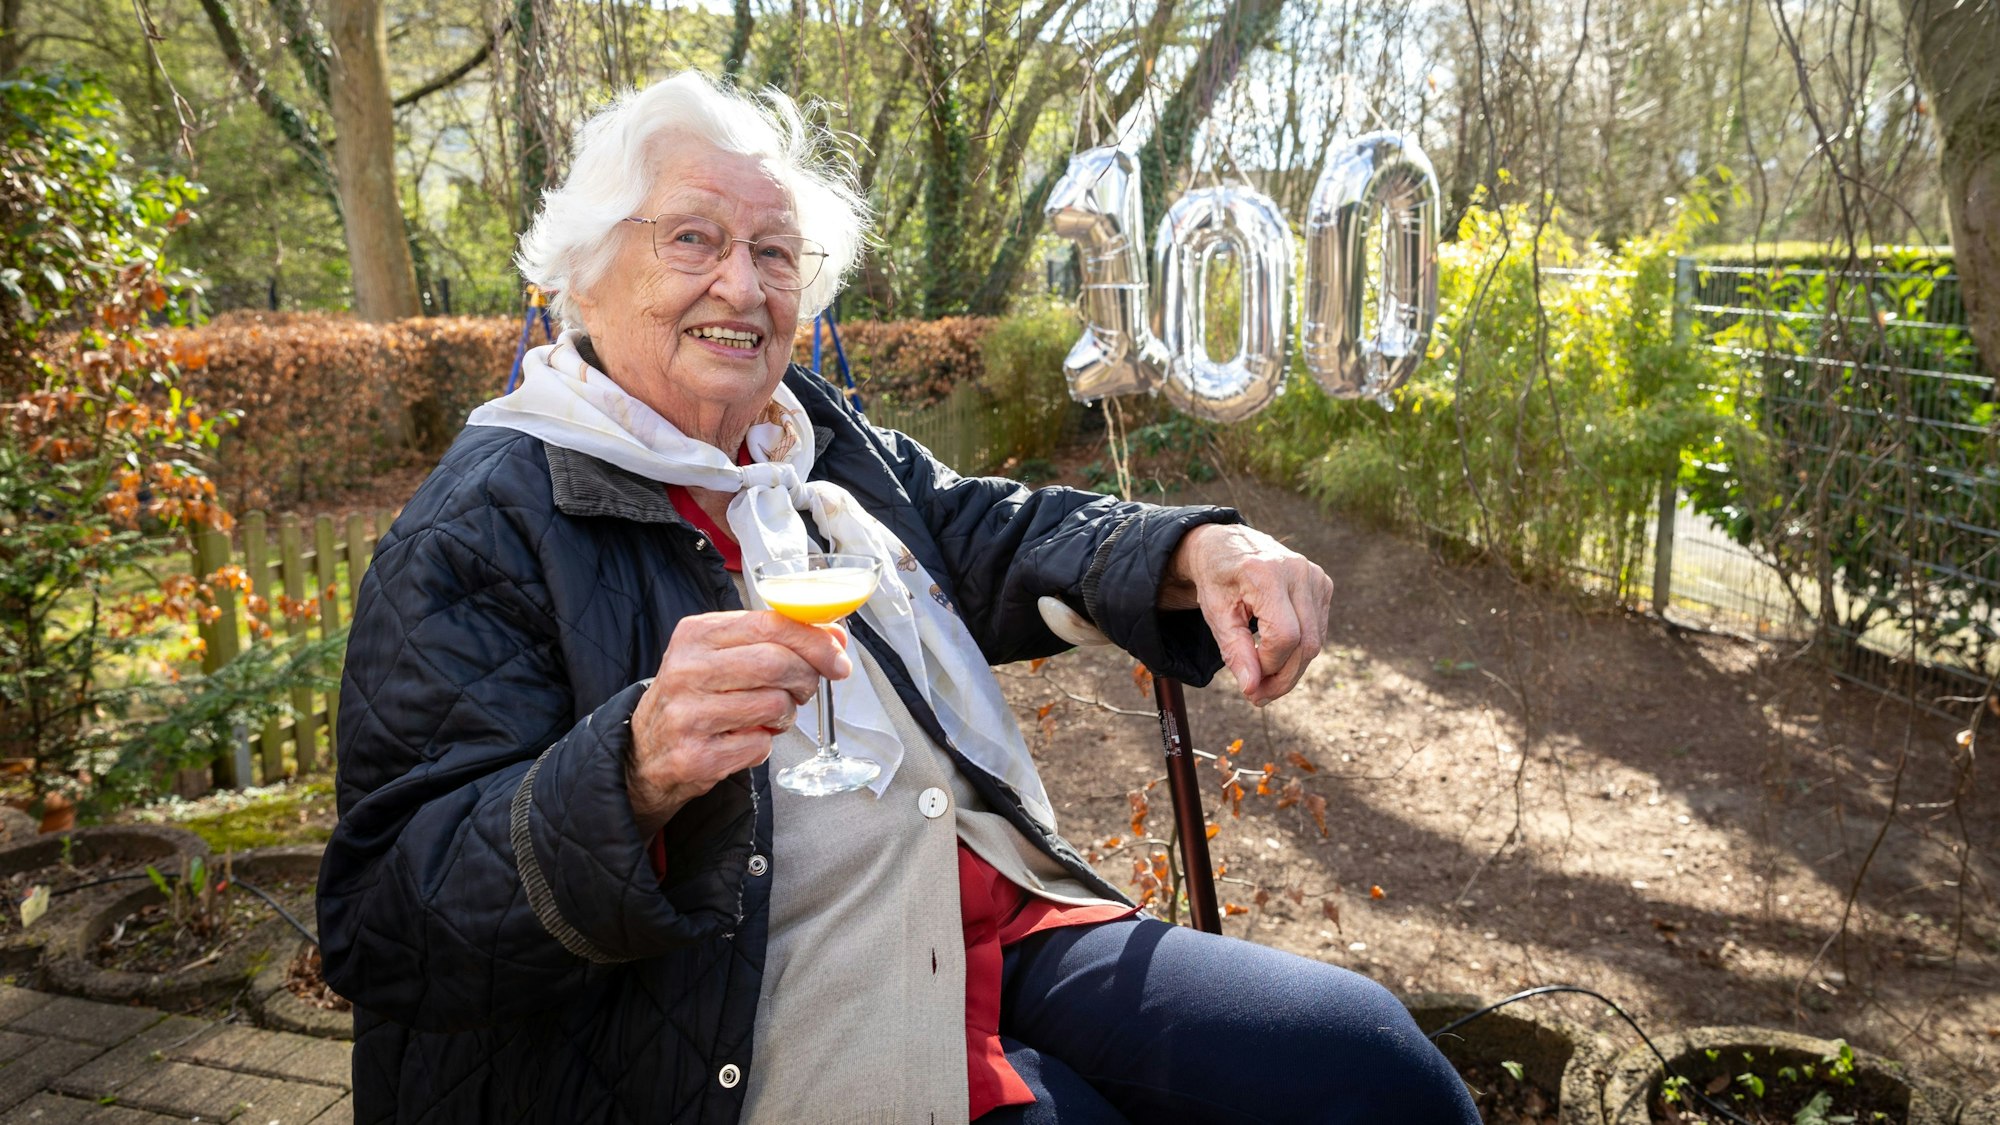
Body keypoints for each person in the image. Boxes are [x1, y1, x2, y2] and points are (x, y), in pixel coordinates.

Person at [317, 70, 1479, 1125]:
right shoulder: (482, 522)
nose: (742, 283)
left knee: (1376, 1072)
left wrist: (1198, 553)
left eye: (776, 253)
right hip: (734, 1001)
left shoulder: (805, 443)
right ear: (581, 272)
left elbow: (979, 530)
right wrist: (630, 772)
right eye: (692, 239)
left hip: (977, 904)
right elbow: (383, 922)